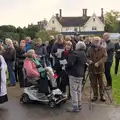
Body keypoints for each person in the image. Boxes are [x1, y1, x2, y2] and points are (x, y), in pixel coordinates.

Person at [66, 41, 87, 112]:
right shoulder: (84, 53)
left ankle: (75, 106)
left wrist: (66, 68)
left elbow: (70, 64)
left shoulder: (74, 53)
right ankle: (79, 105)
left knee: (73, 90)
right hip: (81, 74)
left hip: (74, 74)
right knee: (78, 90)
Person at [87, 37, 107, 102]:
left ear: (100, 42)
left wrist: (99, 63)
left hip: (100, 69)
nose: (96, 42)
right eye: (95, 41)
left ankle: (102, 95)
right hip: (92, 69)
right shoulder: (89, 49)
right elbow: (86, 57)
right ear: (93, 41)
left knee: (101, 83)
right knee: (93, 83)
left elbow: (105, 57)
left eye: (97, 41)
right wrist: (88, 61)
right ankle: (95, 95)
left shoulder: (103, 49)